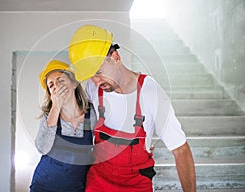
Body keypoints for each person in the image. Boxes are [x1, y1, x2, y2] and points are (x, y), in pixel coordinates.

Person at [68, 25, 196, 192]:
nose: (96, 81)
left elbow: (180, 150)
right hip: (99, 180)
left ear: (115, 57)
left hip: (136, 183)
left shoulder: (151, 93)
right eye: (91, 76)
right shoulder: (94, 89)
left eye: (98, 72)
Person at [30, 60, 97, 192]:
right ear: (50, 94)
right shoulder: (49, 115)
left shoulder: (92, 114)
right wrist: (56, 106)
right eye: (51, 85)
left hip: (77, 187)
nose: (57, 86)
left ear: (73, 83)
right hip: (43, 186)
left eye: (60, 81)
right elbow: (42, 148)